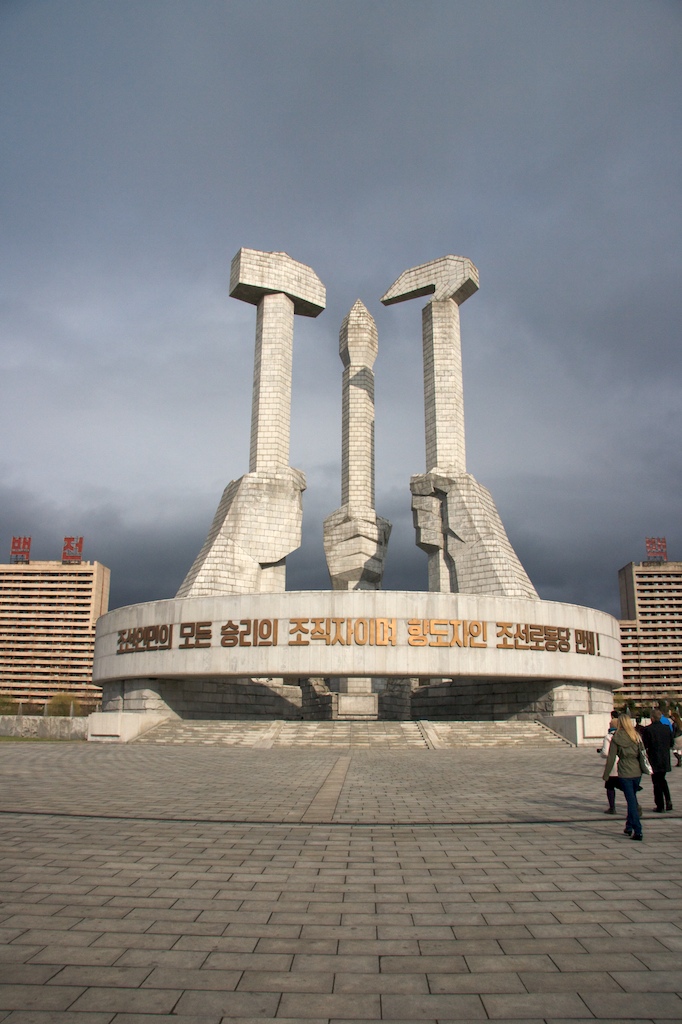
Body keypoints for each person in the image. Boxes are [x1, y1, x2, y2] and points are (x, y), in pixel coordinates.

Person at [603, 713, 644, 840]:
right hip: (637, 771)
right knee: (632, 798)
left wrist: (606, 774)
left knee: (631, 802)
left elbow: (611, 757)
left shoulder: (616, 737)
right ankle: (629, 826)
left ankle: (638, 830)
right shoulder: (636, 736)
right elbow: (642, 754)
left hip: (624, 771)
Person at [642, 709, 674, 812]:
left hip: (654, 758)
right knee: (662, 780)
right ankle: (668, 801)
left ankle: (660, 805)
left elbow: (645, 745)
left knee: (656, 782)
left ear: (652, 718)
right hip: (664, 758)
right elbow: (671, 743)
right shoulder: (666, 729)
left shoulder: (648, 730)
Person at [598, 711, 620, 813]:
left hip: (613, 765)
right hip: (625, 765)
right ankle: (635, 805)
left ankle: (612, 807)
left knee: (610, 786)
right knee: (626, 787)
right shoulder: (625, 735)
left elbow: (606, 753)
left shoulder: (609, 736)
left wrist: (601, 752)